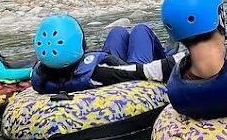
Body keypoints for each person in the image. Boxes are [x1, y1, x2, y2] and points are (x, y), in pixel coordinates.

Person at [30, 15, 178, 94]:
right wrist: (179, 60)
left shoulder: (39, 75)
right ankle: (166, 53)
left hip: (110, 62)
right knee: (141, 29)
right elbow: (145, 71)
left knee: (117, 31)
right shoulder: (98, 73)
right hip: (128, 70)